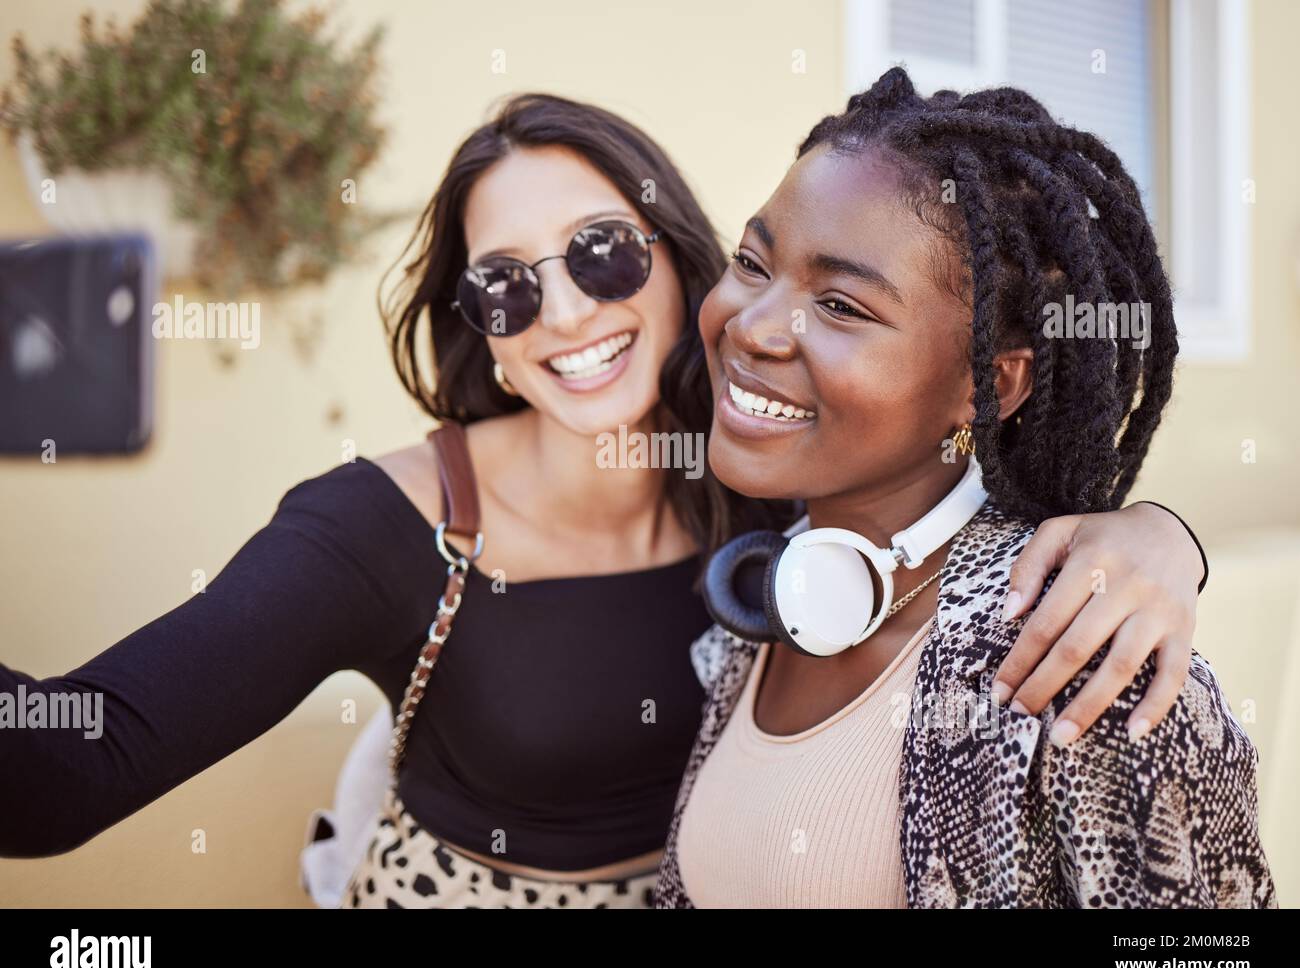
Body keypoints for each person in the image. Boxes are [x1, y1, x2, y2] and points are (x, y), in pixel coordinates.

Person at [0, 92, 1210, 909]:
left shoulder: (767, 485)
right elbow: (66, 770)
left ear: (675, 254)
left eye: (600, 253)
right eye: (505, 287)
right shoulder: (375, 528)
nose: (567, 316)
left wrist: (1160, 535)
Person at [655, 68, 1275, 909]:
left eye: (841, 305)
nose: (756, 326)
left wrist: (1164, 537)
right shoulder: (760, 602)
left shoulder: (1081, 659)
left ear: (991, 387)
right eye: (753, 261)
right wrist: (1165, 529)